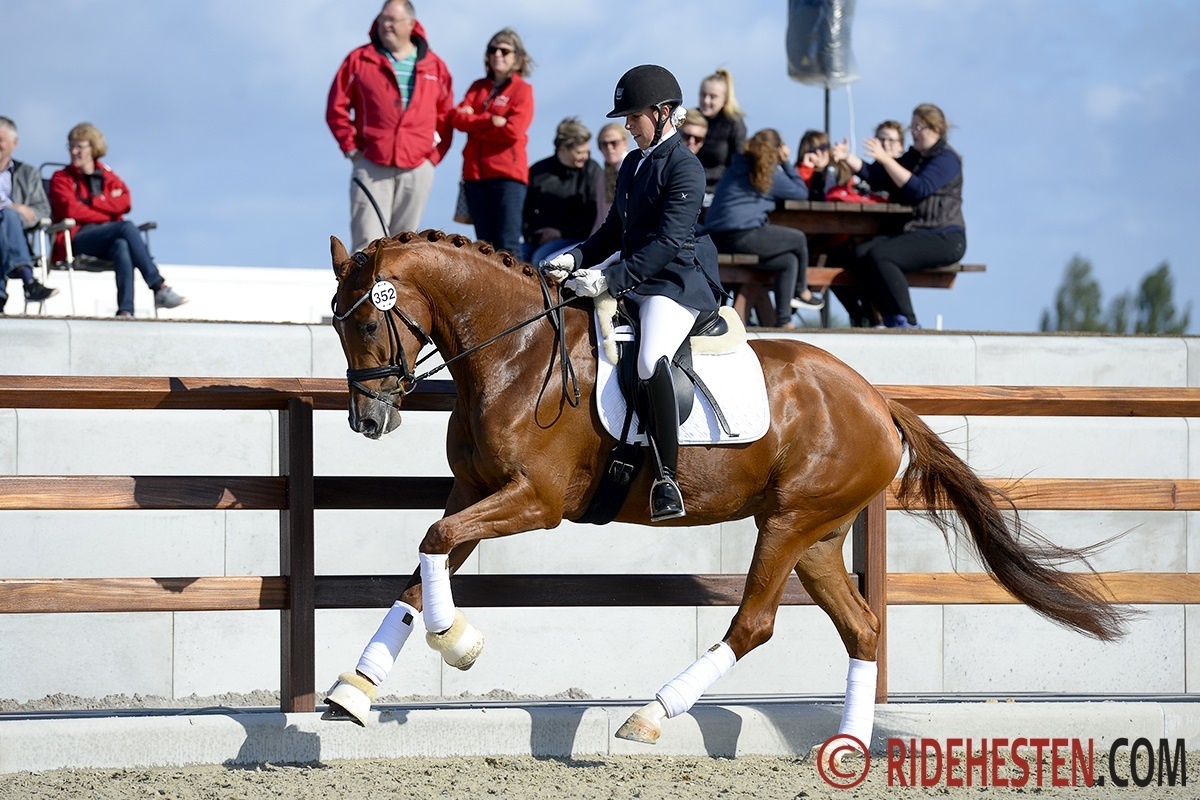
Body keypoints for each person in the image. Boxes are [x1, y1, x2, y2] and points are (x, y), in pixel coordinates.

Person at [541, 65, 723, 522]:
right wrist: (575, 258)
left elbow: (668, 242)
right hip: (633, 275)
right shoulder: (633, 163)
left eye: (634, 116)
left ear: (662, 113)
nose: (627, 125)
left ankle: (667, 479)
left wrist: (609, 279)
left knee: (649, 359)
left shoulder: (686, 167)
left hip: (673, 284)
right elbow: (612, 231)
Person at [327, 0, 454, 253]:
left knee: (404, 248)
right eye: (382, 19)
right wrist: (352, 149)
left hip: (417, 167)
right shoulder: (359, 60)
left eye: (392, 20)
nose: (385, 25)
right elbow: (336, 107)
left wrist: (432, 159)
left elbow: (446, 117)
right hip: (371, 163)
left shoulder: (435, 66)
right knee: (367, 246)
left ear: (411, 24)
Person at [831, 103, 966, 328]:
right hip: (918, 233)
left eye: (918, 127)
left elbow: (919, 188)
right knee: (861, 253)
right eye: (912, 127)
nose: (913, 132)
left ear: (936, 130)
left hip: (946, 237)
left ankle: (908, 321)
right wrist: (847, 157)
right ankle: (884, 317)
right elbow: (876, 176)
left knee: (883, 255)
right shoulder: (915, 157)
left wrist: (886, 159)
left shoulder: (946, 159)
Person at [48, 123, 186, 317]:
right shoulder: (61, 178)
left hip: (108, 238)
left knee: (122, 245)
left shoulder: (108, 175)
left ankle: (125, 311)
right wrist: (108, 210)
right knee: (126, 227)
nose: (73, 151)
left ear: (93, 148)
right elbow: (72, 210)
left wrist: (94, 201)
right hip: (76, 239)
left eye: (79, 146)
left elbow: (125, 202)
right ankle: (158, 287)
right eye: (70, 146)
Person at [703, 128, 825, 329]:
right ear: (777, 150)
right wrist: (786, 162)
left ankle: (784, 321)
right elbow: (800, 193)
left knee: (788, 261)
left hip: (716, 236)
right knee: (798, 239)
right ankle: (802, 291)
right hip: (741, 233)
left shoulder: (737, 165)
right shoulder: (768, 173)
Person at [452, 28, 534, 255]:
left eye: (504, 51)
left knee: (508, 245)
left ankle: (515, 282)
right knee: (484, 248)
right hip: (475, 177)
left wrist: (475, 122)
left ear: (517, 57)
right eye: (493, 50)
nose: (497, 54)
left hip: (507, 178)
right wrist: (490, 120)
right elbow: (457, 119)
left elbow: (513, 131)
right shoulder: (477, 87)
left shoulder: (522, 90)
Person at [522, 117, 603, 265]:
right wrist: (534, 234)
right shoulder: (539, 172)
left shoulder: (592, 171)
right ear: (562, 148)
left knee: (539, 259)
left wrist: (561, 233)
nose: (585, 157)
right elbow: (525, 211)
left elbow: (594, 214)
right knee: (514, 256)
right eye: (579, 152)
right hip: (538, 239)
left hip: (577, 237)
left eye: (587, 152)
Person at [0, 116, 57, 314]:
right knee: (8, 216)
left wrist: (20, 214)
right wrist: (12, 208)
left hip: (17, 235)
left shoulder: (28, 173)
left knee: (7, 219)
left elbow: (42, 210)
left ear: (14, 143)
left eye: (0, 140)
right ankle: (29, 281)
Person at [694, 68, 746, 193]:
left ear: (725, 99)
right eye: (703, 95)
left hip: (718, 189)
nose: (706, 101)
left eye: (712, 97)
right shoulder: (689, 119)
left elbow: (738, 164)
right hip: (690, 185)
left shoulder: (733, 124)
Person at [595, 122, 628, 223]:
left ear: (625, 143)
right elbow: (601, 216)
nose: (609, 148)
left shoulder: (633, 169)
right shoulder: (602, 177)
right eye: (604, 144)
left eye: (614, 143)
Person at [794, 129, 837, 201]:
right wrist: (805, 169)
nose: (818, 153)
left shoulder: (838, 169)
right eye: (813, 149)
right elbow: (800, 193)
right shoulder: (794, 173)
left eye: (823, 148)